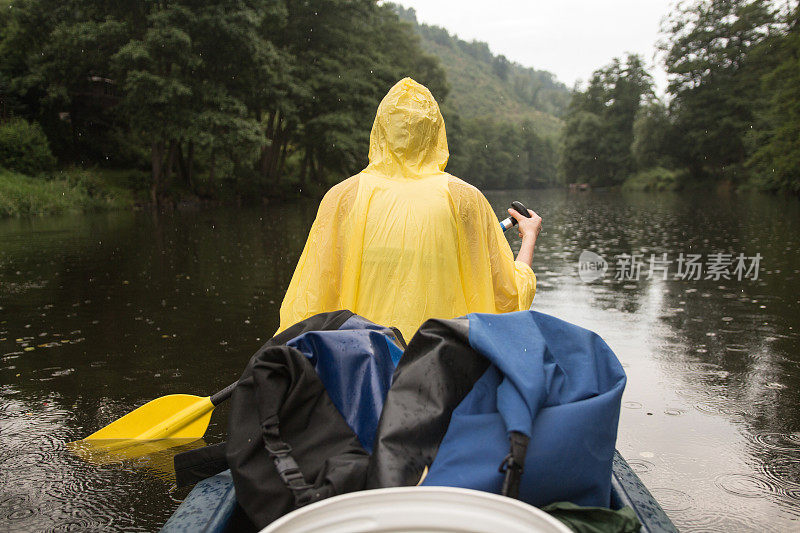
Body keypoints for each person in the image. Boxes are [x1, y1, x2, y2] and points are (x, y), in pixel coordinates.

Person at [278, 77, 542, 341]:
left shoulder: (342, 196)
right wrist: (529, 235)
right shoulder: (464, 198)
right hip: (438, 368)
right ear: (436, 132)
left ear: (380, 129)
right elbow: (509, 299)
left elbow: (308, 302)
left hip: (358, 367)